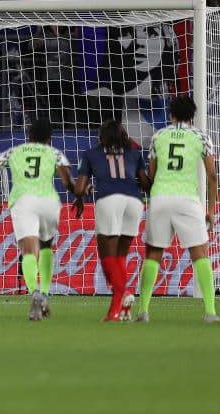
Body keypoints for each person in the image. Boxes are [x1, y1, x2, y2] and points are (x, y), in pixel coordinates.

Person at [135, 95, 220, 324]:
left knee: (153, 254)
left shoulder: (158, 136)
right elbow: (212, 175)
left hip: (160, 198)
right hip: (187, 199)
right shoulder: (201, 137)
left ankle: (143, 311)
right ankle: (210, 312)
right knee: (200, 253)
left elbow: (153, 174)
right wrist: (211, 210)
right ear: (192, 116)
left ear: (171, 115)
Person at [0, 118, 79, 320]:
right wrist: (81, 194)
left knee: (28, 252)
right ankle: (45, 293)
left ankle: (34, 292)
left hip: (23, 202)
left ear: (29, 136)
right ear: (49, 139)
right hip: (49, 203)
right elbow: (68, 182)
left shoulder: (15, 151)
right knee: (46, 246)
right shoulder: (54, 153)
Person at [75, 120, 151, 322]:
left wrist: (82, 195)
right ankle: (117, 309)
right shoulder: (134, 153)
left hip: (109, 200)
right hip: (134, 203)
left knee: (107, 258)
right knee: (120, 257)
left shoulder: (91, 153)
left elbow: (79, 188)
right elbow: (145, 183)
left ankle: (123, 295)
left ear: (102, 137)